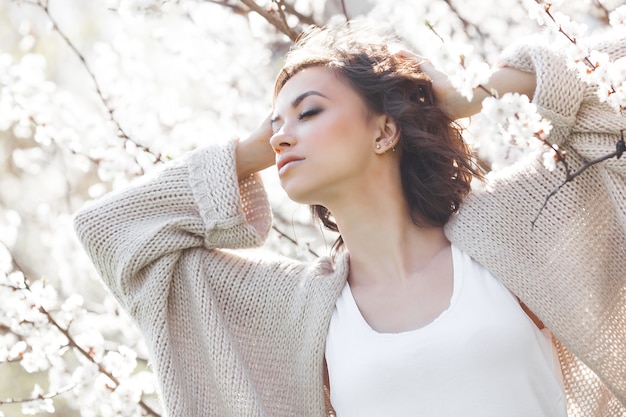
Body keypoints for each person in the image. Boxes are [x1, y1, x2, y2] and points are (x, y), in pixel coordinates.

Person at [73, 23, 626, 417]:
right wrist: (248, 153)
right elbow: (111, 229)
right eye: (274, 125)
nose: (281, 135)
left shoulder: (510, 228)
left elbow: (614, 68)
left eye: (310, 111)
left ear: (385, 131)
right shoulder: (296, 308)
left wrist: (467, 97)